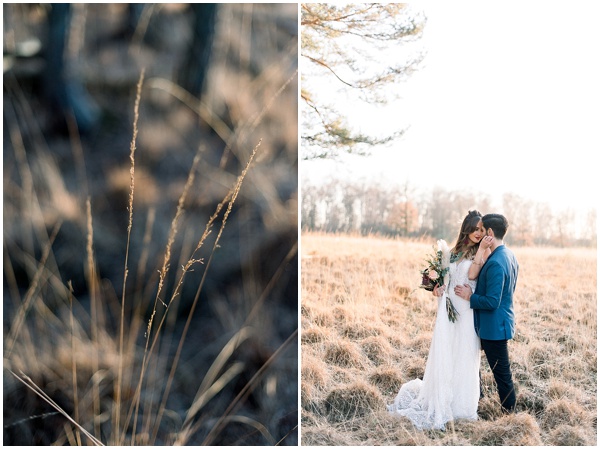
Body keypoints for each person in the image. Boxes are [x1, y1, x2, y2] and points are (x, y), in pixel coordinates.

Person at [388, 210, 493, 430]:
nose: (478, 233)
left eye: (481, 230)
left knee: (464, 352)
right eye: (475, 229)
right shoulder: (452, 252)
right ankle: (441, 397)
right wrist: (435, 286)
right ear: (466, 228)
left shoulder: (482, 253)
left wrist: (481, 249)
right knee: (446, 351)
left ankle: (461, 405)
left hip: (466, 309)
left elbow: (472, 276)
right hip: (448, 309)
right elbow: (434, 275)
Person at [454, 213, 518, 413]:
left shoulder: (497, 262)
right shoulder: (508, 255)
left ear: (489, 232)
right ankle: (477, 397)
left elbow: (492, 301)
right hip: (497, 323)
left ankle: (510, 413)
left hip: (494, 328)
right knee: (478, 365)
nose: (480, 234)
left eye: (483, 231)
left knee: (502, 375)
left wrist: (469, 296)